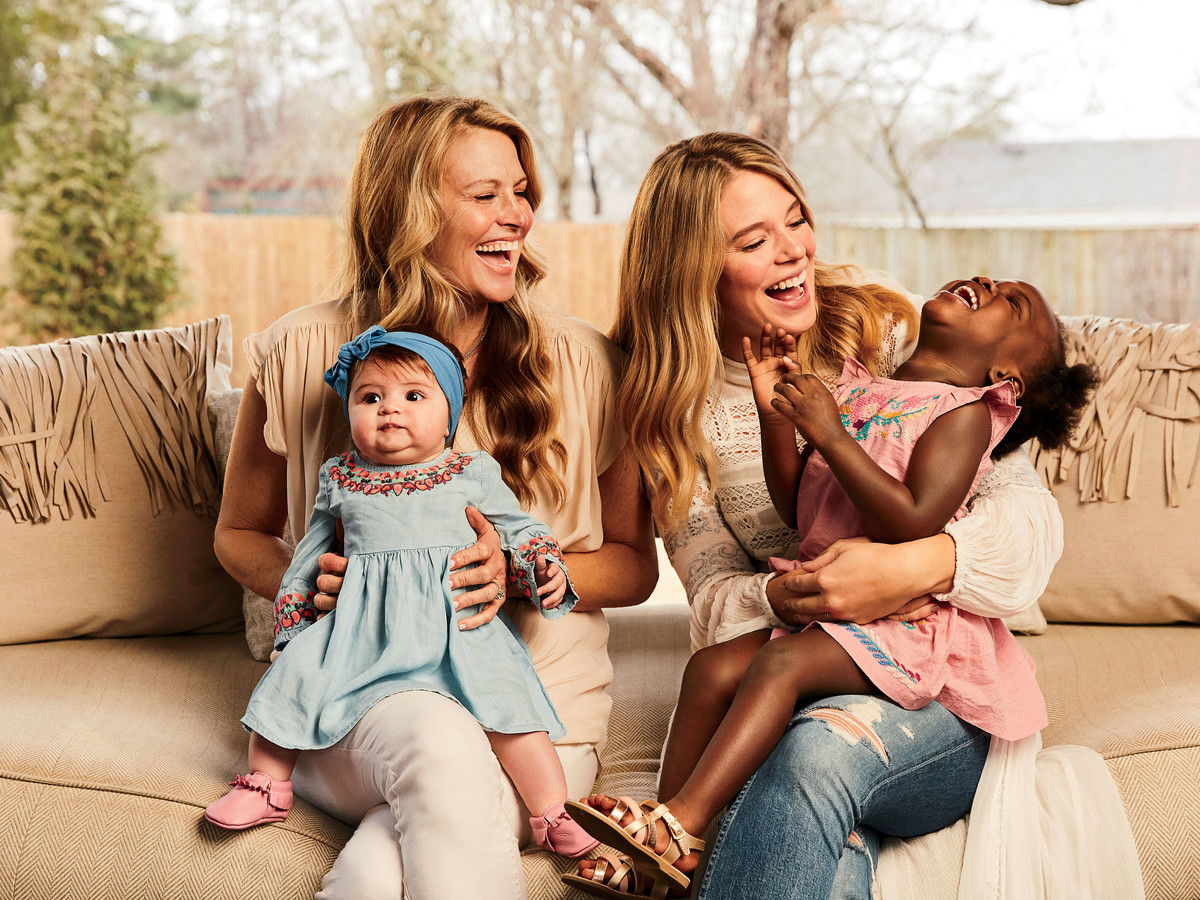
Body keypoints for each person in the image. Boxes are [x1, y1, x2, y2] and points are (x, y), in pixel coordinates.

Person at [567, 132, 1068, 899]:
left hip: (928, 664)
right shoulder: (663, 408)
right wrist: (782, 433)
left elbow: (1023, 525)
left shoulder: (892, 339)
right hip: (804, 642)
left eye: (796, 220)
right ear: (694, 267)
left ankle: (683, 823)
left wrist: (914, 565)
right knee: (758, 719)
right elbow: (725, 580)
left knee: (813, 751)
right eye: (754, 239)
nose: (794, 251)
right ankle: (663, 836)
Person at [213, 96, 657, 898]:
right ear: (409, 213)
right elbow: (239, 533)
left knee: (389, 862)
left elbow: (633, 566)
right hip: (353, 708)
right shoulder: (300, 349)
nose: (516, 215)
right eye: (485, 195)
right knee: (436, 738)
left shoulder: (592, 364)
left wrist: (525, 570)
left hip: (536, 718)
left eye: (520, 192)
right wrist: (302, 581)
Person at [205, 327, 599, 858]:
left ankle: (551, 812)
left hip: (456, 625)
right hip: (361, 628)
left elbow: (517, 528)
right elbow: (310, 554)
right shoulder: (342, 477)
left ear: (448, 417)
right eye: (371, 398)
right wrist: (295, 621)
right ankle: (267, 783)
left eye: (414, 396)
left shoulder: (469, 471)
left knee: (513, 712)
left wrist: (541, 565)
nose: (390, 409)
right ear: (351, 414)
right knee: (292, 682)